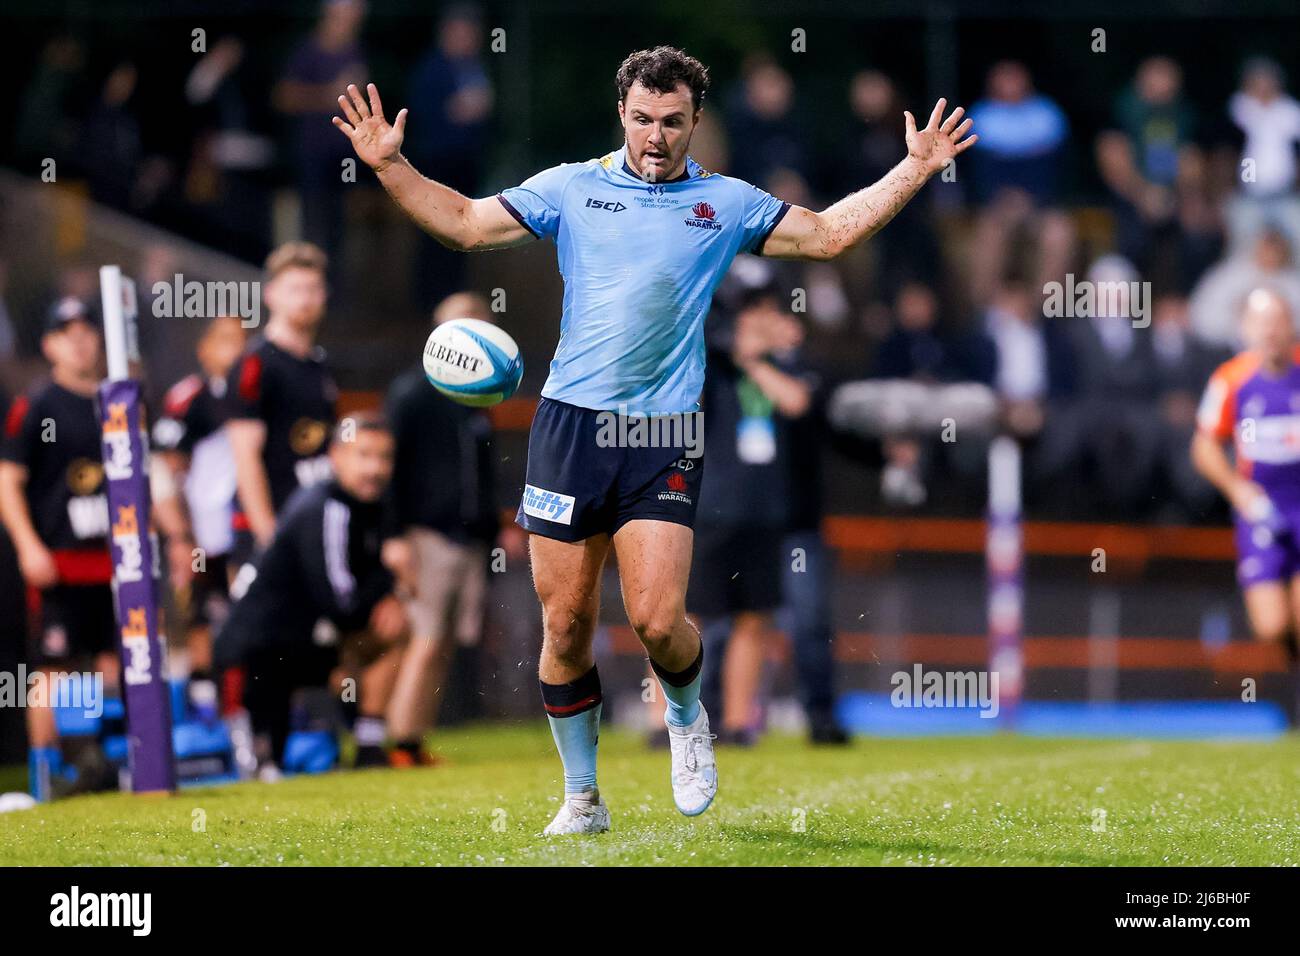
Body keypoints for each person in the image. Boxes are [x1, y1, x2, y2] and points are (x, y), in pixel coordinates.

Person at [333, 45, 975, 834]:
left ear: (696, 122)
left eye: (673, 122)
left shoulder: (726, 203)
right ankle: (582, 797)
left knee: (658, 621)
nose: (656, 136)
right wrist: (391, 166)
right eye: (642, 119)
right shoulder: (571, 187)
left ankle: (685, 716)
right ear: (622, 115)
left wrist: (912, 170)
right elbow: (465, 223)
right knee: (564, 625)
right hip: (569, 425)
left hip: (664, 430)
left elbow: (828, 234)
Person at [213, 413, 408, 772]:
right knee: (262, 768)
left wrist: (389, 590)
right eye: (364, 455)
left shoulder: (370, 507)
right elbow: (340, 602)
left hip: (302, 643)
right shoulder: (326, 506)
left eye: (384, 458)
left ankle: (367, 743)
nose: (375, 469)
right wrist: (390, 583)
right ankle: (281, 745)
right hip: (260, 654)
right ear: (336, 456)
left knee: (395, 625)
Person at [382, 291, 516, 765]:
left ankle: (413, 739)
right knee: (424, 638)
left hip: (468, 537)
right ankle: (397, 739)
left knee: (442, 644)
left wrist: (495, 524)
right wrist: (395, 535)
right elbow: (390, 471)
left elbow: (480, 471)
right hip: (427, 535)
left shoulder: (477, 396)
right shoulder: (414, 392)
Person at [0, 299, 116, 800]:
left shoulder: (118, 400)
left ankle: (90, 765)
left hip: (111, 565)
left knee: (108, 667)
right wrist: (29, 546)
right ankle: (45, 777)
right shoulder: (39, 404)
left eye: (87, 330)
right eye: (67, 333)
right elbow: (7, 480)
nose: (80, 340)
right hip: (59, 563)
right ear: (49, 345)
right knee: (53, 670)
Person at [1192, 287, 1300, 719]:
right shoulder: (1231, 380)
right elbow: (1204, 447)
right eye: (1261, 322)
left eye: (1278, 320)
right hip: (1262, 516)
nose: (1270, 331)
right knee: (1272, 625)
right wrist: (1239, 491)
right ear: (1246, 329)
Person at [224, 241, 338, 580]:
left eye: (313, 288)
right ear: (271, 295)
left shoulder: (319, 363)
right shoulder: (255, 364)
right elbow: (246, 458)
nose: (304, 299)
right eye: (295, 289)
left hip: (312, 527)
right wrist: (269, 538)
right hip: (269, 532)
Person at [152, 315, 249, 699]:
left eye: (242, 340)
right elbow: (166, 466)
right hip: (204, 533)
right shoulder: (189, 397)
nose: (235, 349)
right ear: (203, 349)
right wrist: (180, 534)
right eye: (225, 340)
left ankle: (246, 708)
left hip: (245, 528)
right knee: (202, 618)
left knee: (247, 614)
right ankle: (205, 708)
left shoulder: (255, 394)